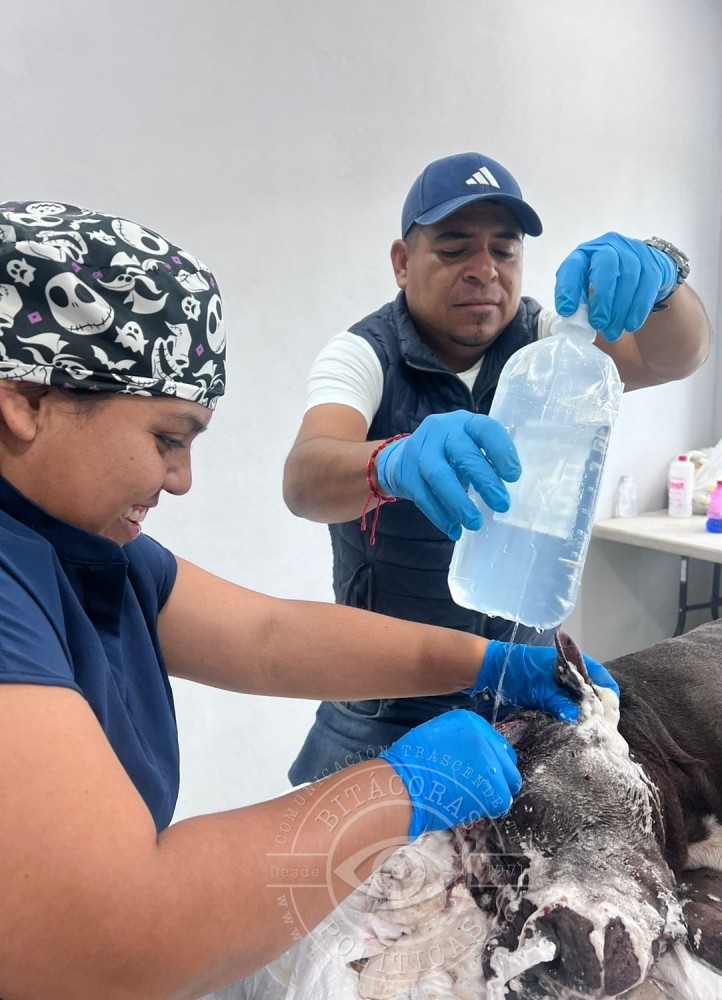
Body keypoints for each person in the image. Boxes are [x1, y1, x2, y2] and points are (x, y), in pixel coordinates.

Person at [0, 200, 621, 1000]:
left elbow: (265, 636)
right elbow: (112, 940)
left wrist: (490, 664)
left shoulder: (87, 551)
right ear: (26, 401)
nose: (180, 479)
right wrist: (396, 788)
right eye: (167, 438)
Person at [283, 151, 712, 784]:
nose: (484, 269)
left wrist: (665, 279)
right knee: (349, 847)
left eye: (504, 250)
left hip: (524, 684)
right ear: (402, 262)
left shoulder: (546, 341)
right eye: (454, 248)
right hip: (386, 701)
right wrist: (388, 462)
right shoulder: (365, 354)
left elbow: (675, 357)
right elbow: (305, 478)